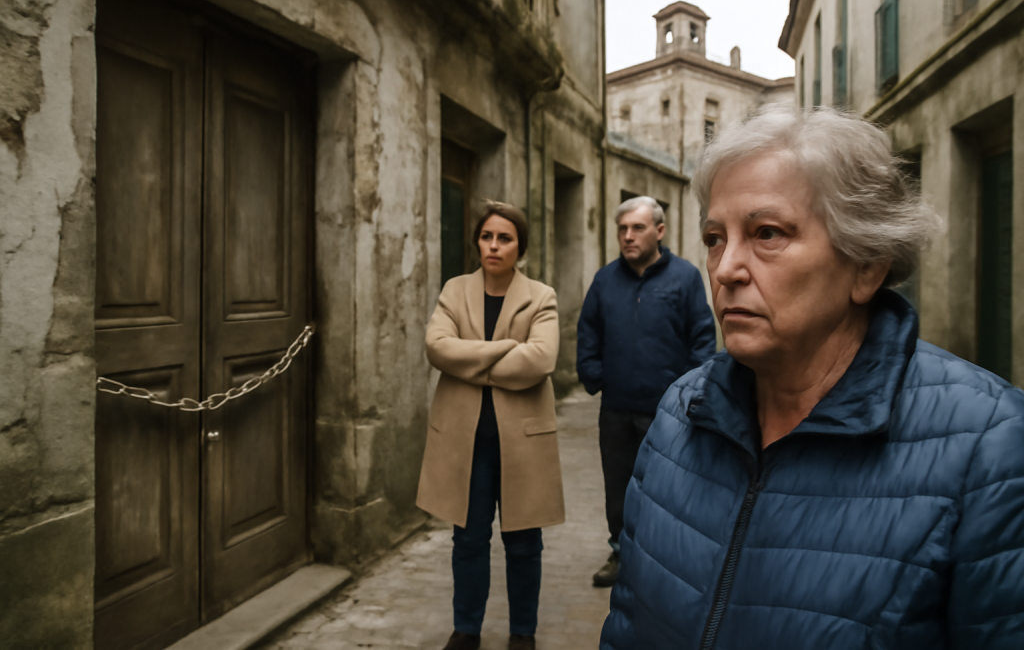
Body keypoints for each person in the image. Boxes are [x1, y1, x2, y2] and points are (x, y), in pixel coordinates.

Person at [600, 105, 1024, 650]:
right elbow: (628, 625)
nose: (726, 267)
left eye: (767, 233)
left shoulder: (991, 448)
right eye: (713, 238)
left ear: (866, 264)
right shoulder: (680, 412)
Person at [417, 201, 564, 650]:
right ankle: (467, 629)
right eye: (487, 236)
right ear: (477, 240)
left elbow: (540, 360)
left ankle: (523, 632)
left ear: (520, 247)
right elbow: (437, 348)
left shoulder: (541, 296)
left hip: (522, 440)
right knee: (468, 539)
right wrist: (504, 350)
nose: (494, 246)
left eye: (504, 238)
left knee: (523, 542)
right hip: (465, 439)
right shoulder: (454, 289)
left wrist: (471, 358)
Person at [576, 195, 717, 587]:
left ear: (659, 231)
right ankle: (621, 553)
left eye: (637, 228)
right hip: (617, 408)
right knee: (618, 485)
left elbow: (703, 339)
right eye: (622, 229)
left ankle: (665, 560)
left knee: (670, 486)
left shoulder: (685, 277)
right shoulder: (606, 279)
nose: (628, 236)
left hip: (669, 412)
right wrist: (594, 374)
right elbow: (588, 332)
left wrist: (693, 394)